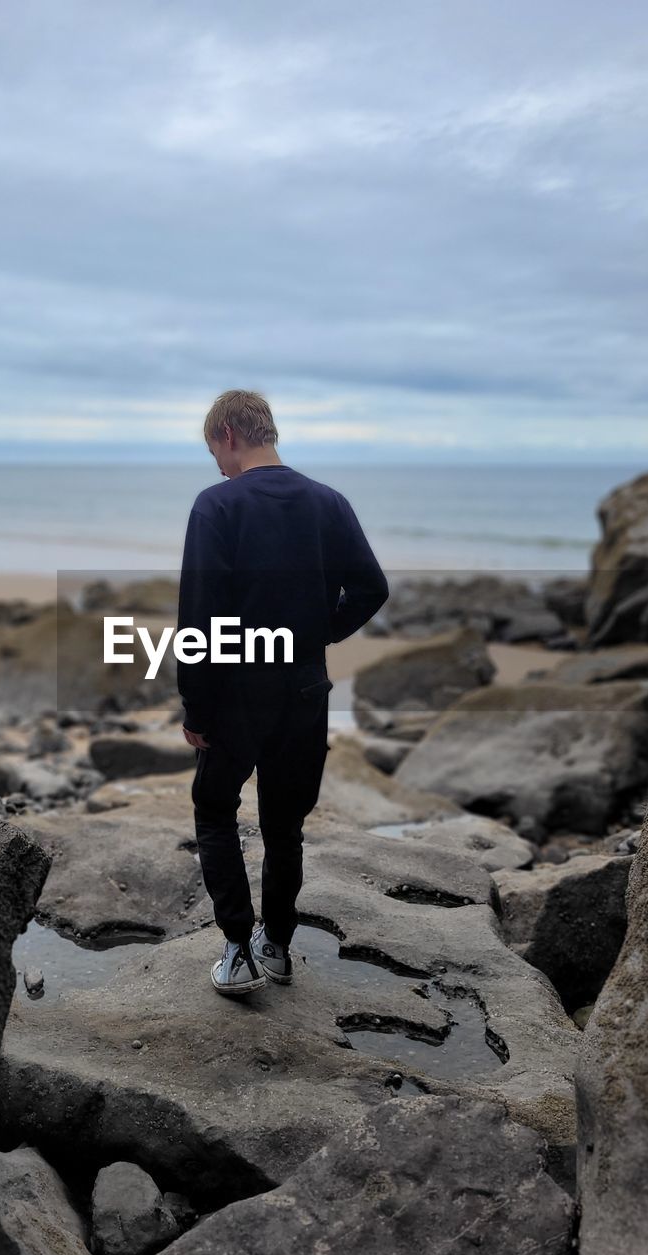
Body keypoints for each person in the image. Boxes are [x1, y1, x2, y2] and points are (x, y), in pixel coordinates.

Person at [177, 389, 389, 996]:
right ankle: (277, 944)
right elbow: (371, 589)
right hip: (303, 686)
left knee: (216, 810)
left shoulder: (216, 505)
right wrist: (313, 633)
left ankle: (238, 950)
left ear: (227, 435)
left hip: (237, 689)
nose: (216, 463)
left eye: (212, 449)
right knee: (284, 822)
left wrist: (196, 705)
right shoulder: (329, 502)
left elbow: (201, 614)